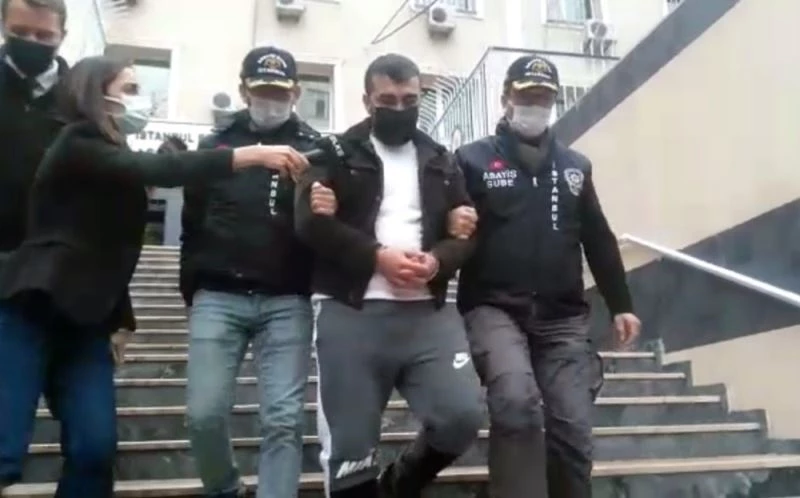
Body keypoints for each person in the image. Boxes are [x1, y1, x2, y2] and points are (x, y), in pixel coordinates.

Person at [0, 55, 309, 497]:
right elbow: (160, 171)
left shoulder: (116, 156)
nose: (141, 99)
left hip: (89, 318)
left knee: (95, 448)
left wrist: (120, 318)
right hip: (32, 305)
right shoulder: (77, 140)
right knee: (6, 448)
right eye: (129, 89)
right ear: (95, 94)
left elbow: (113, 250)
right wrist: (249, 155)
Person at [294, 53, 484, 498]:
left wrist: (438, 260)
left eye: (409, 100)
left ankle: (399, 485)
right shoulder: (333, 152)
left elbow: (468, 233)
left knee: (461, 417)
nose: (400, 108)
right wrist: (377, 258)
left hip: (427, 314)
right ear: (367, 100)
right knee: (351, 448)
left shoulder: (441, 158)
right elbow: (307, 222)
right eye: (388, 100)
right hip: (350, 310)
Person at [452, 55, 642, 498]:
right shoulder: (471, 160)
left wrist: (622, 305)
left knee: (573, 426)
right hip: (494, 308)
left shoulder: (575, 166)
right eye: (526, 96)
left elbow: (598, 238)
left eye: (543, 97)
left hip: (562, 317)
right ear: (506, 98)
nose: (535, 105)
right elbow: (450, 235)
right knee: (516, 403)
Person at [180, 46, 321, 498]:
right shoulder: (215, 145)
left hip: (287, 300)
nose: (270, 100)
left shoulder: (316, 148)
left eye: (280, 92)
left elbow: (323, 227)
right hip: (217, 296)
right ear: (243, 90)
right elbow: (191, 222)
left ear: (296, 93)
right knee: (203, 414)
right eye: (261, 91)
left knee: (283, 419)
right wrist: (192, 289)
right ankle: (225, 488)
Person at [0, 0, 69, 263]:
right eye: (20, 32)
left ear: (62, 36)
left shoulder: (82, 100)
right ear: (3, 27)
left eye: (44, 35)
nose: (31, 42)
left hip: (52, 266)